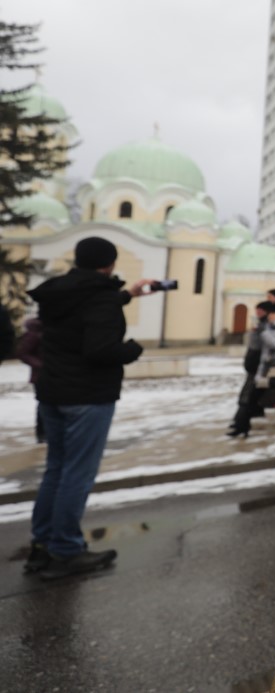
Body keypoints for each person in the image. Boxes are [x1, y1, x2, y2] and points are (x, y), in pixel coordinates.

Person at [25, 237, 154, 579]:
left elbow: (84, 312)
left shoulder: (60, 293)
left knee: (56, 469)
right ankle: (66, 550)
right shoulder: (99, 299)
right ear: (109, 264)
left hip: (52, 392)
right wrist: (133, 349)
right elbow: (100, 350)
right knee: (76, 474)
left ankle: (42, 546)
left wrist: (130, 295)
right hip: (87, 397)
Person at [228, 302, 269, 437]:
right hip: (255, 365)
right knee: (249, 396)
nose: (258, 312)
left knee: (248, 396)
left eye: (261, 310)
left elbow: (267, 346)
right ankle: (241, 425)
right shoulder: (261, 326)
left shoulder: (265, 328)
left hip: (260, 366)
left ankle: (240, 425)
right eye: (257, 310)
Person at [15, 316, 45, 442]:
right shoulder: (35, 331)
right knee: (44, 404)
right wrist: (40, 364)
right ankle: (42, 434)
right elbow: (23, 353)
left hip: (59, 373)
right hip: (41, 376)